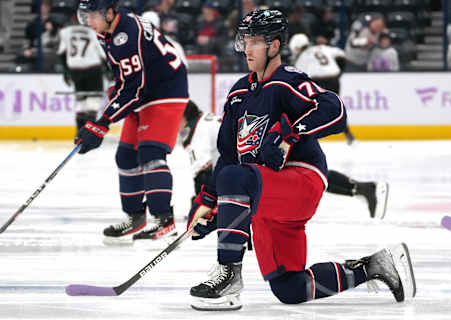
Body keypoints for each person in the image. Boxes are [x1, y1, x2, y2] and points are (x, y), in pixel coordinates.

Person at [186, 9, 415, 311]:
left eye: (255, 41)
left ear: (275, 46)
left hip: (301, 179)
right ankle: (375, 267)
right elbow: (228, 155)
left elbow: (335, 110)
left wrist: (288, 132)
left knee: (235, 178)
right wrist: (209, 202)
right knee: (289, 287)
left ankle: (229, 274)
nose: (247, 48)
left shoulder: (287, 81)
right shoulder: (239, 92)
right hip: (265, 193)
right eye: (245, 40)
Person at [75, 0, 189, 242]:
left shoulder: (126, 35)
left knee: (151, 153)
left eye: (92, 16)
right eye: (84, 17)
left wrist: (101, 123)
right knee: (126, 156)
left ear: (108, 12)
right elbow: (127, 80)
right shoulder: (108, 30)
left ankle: (163, 220)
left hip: (165, 91)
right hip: (145, 91)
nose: (88, 22)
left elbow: (134, 87)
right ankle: (135, 217)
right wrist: (105, 114)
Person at [182, 98, 388, 219]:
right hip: (266, 142)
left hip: (262, 150)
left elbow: (202, 173)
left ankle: (363, 189)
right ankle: (362, 188)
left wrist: (202, 207)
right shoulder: (206, 119)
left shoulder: (196, 131)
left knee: (302, 181)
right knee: (307, 176)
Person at [57, 18, 106, 133]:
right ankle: (88, 134)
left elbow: (61, 53)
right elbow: (103, 54)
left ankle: (79, 133)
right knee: (93, 102)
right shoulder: (94, 32)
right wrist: (110, 71)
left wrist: (66, 71)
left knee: (81, 103)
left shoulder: (66, 31)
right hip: (92, 68)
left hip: (74, 69)